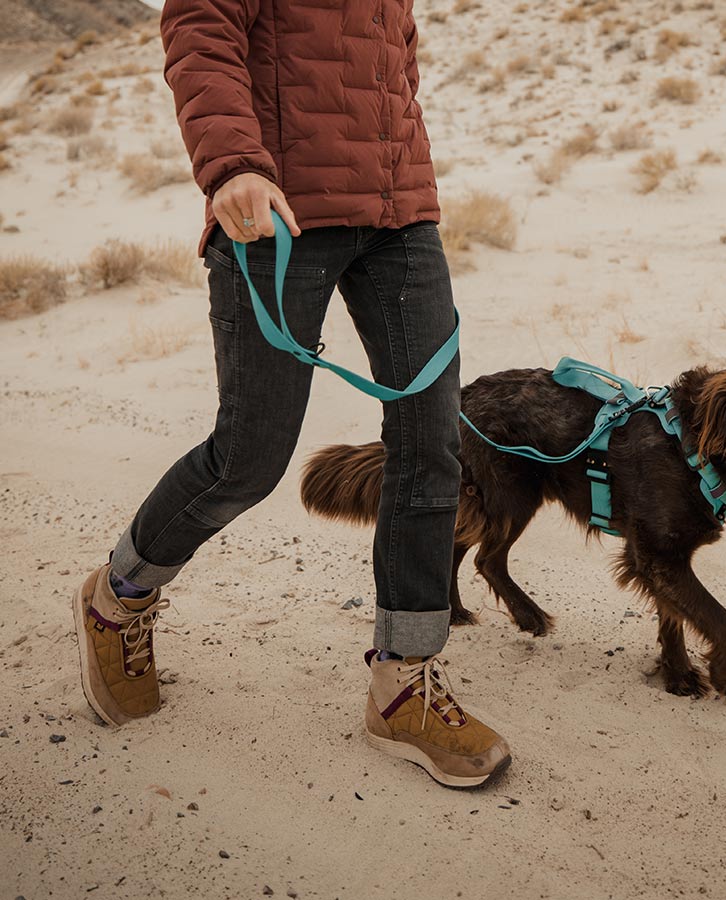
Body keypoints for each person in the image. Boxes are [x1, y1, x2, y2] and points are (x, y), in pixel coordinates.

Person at [71, 0, 511, 789]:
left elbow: (391, 61)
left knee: (431, 446)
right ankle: (122, 593)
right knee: (247, 458)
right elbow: (202, 33)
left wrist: (405, 174)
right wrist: (232, 163)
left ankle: (403, 679)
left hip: (399, 215)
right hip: (274, 214)